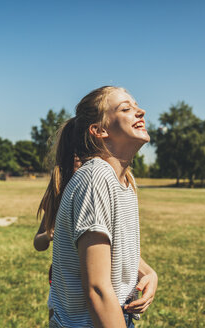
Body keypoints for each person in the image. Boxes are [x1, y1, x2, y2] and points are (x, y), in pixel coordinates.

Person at [37, 86, 158, 327]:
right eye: (126, 108)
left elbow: (117, 249)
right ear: (99, 130)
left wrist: (148, 273)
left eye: (136, 106)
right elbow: (98, 289)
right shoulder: (96, 177)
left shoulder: (123, 180)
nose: (140, 111)